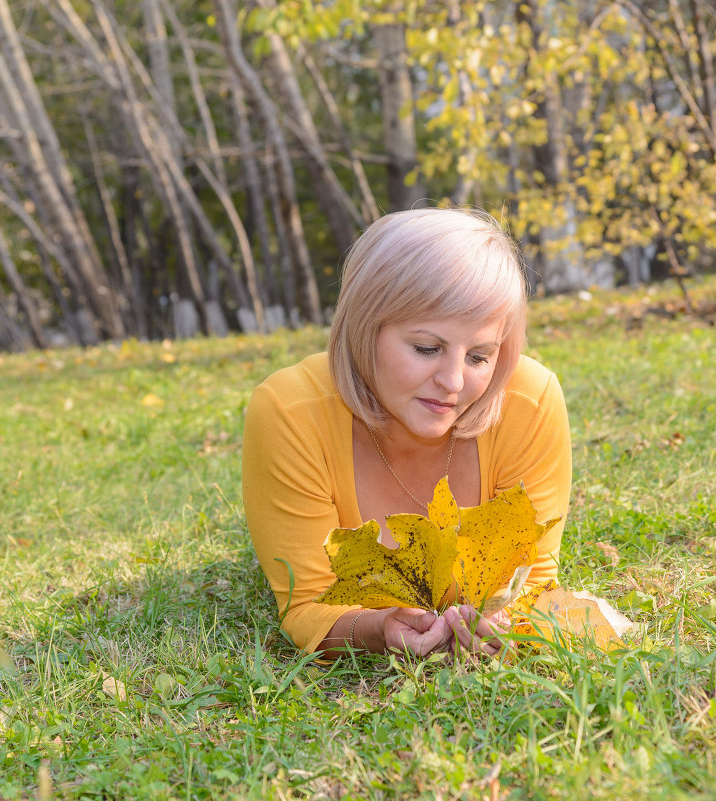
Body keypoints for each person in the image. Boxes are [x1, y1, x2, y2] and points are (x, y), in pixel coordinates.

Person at [242, 207, 571, 658]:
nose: (453, 382)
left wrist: (505, 626)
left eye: (479, 356)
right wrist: (376, 630)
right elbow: (306, 605)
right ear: (364, 327)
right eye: (426, 348)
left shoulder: (529, 402)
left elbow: (534, 588)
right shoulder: (289, 412)